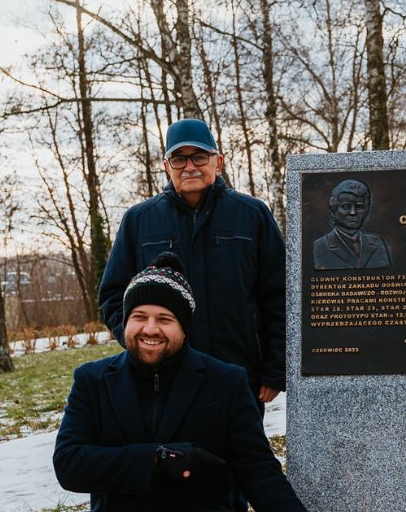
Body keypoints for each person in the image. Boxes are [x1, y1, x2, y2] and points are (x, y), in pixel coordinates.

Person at [18, 253, 364, 512]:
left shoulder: (224, 382)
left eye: (165, 318)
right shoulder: (93, 381)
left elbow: (258, 470)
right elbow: (70, 464)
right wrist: (156, 459)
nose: (150, 329)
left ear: (184, 326)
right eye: (139, 316)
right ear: (125, 322)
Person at [98, 118, 284, 404]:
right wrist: (140, 344)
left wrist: (274, 370)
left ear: (218, 162)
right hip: (163, 378)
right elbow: (113, 294)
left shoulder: (252, 215)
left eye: (199, 156)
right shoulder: (139, 221)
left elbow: (280, 296)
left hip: (239, 374)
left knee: (240, 450)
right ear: (166, 166)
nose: (189, 166)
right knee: (173, 450)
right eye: (179, 158)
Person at [312, 178, 392, 270]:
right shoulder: (320, 246)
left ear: (366, 211)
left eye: (359, 207)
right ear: (334, 210)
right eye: (346, 206)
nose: (353, 212)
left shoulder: (379, 244)